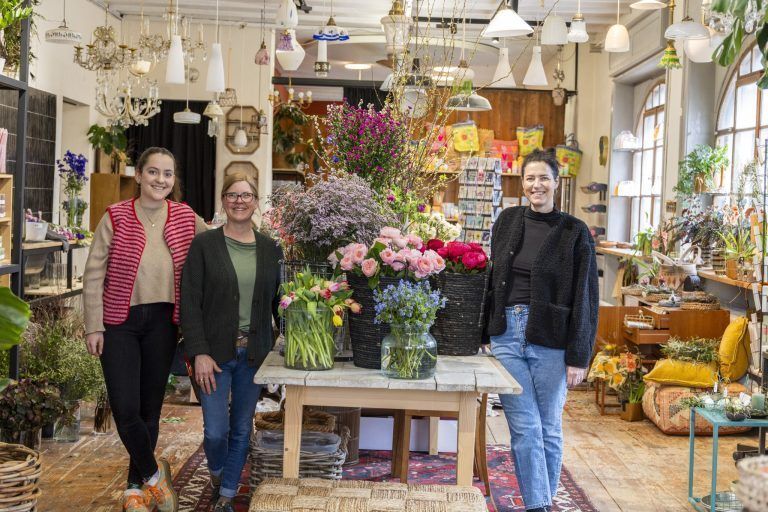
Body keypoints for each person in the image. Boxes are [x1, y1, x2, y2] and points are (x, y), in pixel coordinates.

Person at [83, 147, 208, 512]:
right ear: (138, 176)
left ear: (174, 180)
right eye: (153, 172)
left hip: (164, 322)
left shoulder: (185, 217)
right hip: (118, 321)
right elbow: (94, 273)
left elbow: (217, 243)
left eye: (167, 174)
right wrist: (93, 325)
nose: (160, 180)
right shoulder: (116, 217)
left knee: (150, 408)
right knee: (125, 407)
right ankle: (155, 476)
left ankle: (133, 490)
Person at [484, 149, 598, 512]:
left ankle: (542, 502)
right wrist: (483, 333)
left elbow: (586, 297)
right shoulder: (506, 221)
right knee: (524, 424)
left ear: (555, 182)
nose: (537, 185)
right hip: (507, 335)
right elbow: (492, 278)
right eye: (530, 178)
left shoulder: (575, 232)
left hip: (552, 337)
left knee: (548, 426)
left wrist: (579, 355)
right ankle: (539, 506)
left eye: (543, 178)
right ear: (523, 183)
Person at [180, 172, 282, 512]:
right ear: (223, 201)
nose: (239, 201)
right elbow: (190, 302)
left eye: (246, 195)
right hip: (214, 355)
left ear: (256, 201)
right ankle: (220, 473)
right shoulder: (205, 245)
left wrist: (285, 349)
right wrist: (199, 353)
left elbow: (278, 303)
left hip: (253, 354)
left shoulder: (270, 249)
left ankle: (225, 494)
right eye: (232, 195)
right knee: (215, 432)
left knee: (241, 428)